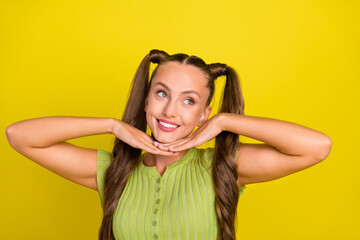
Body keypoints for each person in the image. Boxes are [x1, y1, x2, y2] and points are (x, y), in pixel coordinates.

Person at [5, 49, 332, 240]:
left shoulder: (221, 167)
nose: (169, 110)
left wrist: (224, 122)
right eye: (161, 93)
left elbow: (317, 146)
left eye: (188, 101)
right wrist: (112, 125)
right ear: (146, 100)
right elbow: (18, 136)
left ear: (203, 113)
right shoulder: (115, 172)